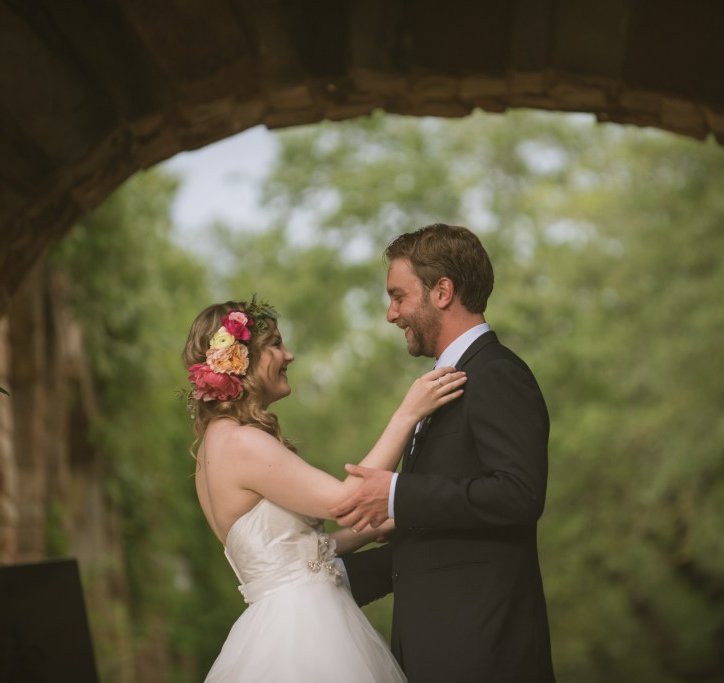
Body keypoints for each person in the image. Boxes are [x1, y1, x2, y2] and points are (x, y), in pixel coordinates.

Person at [183, 297, 466, 682]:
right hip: (302, 631)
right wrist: (407, 414)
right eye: (276, 344)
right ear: (241, 360)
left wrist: (368, 531)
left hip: (284, 620)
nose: (289, 354)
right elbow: (345, 499)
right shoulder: (241, 442)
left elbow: (287, 556)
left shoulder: (213, 447)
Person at [331, 224, 556, 683]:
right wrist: (325, 581)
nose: (391, 314)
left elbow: (519, 494)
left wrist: (397, 494)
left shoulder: (496, 374)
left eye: (398, 296)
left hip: (485, 656)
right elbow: (446, 540)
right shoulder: (450, 382)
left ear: (443, 292)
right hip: (440, 653)